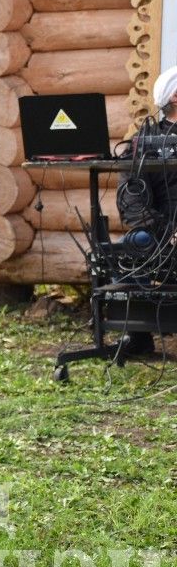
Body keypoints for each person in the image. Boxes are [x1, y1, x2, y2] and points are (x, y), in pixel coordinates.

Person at [113, 65, 177, 354]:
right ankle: (138, 333)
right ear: (174, 97)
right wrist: (157, 228)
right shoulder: (146, 139)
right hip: (161, 230)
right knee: (121, 250)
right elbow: (130, 190)